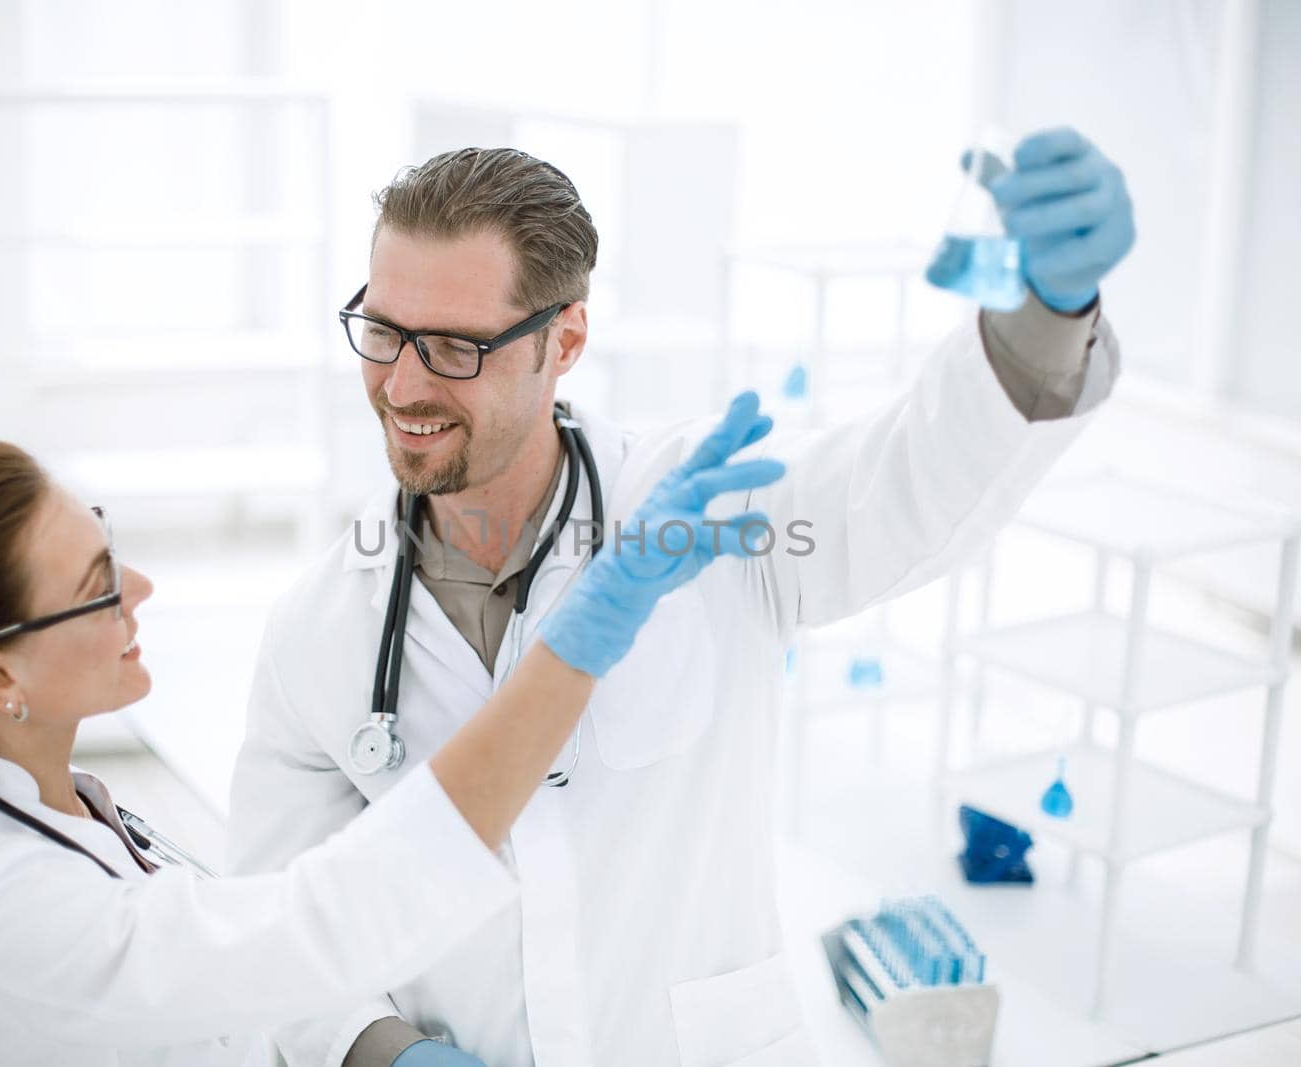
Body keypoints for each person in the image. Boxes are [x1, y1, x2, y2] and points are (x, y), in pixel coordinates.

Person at [229, 129, 1136, 1066]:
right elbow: (278, 921)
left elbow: (905, 482)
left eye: (456, 346)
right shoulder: (319, 628)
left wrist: (1046, 315)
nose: (404, 383)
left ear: (564, 339)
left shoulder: (702, 513)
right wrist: (382, 1051)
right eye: (383, 332)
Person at [0, 411, 783, 1066]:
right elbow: (323, 918)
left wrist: (369, 1040)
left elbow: (240, 930)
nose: (138, 587)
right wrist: (572, 650)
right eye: (94, 582)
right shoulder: (5, 913)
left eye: (107, 537)